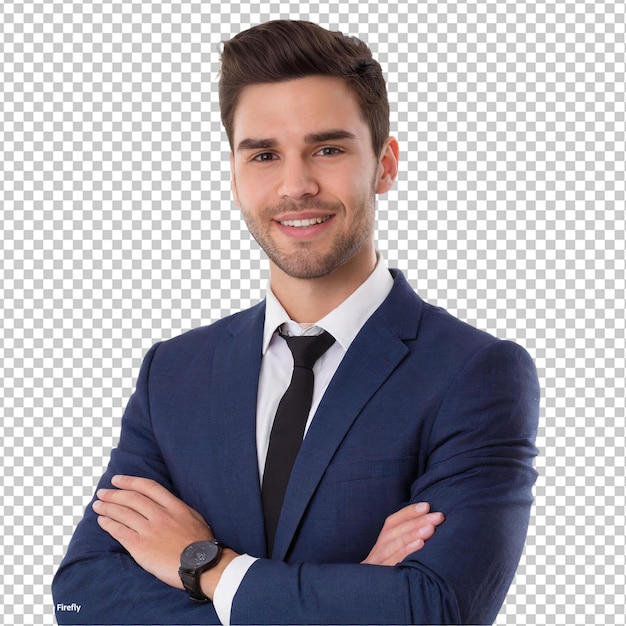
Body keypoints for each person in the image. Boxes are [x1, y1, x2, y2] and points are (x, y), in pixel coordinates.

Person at [52, 19, 539, 626]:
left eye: (328, 149)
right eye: (263, 155)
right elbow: (82, 598)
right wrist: (352, 595)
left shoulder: (475, 373)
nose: (296, 185)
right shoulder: (172, 373)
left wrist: (205, 566)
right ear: (234, 175)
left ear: (385, 165)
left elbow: (435, 609)